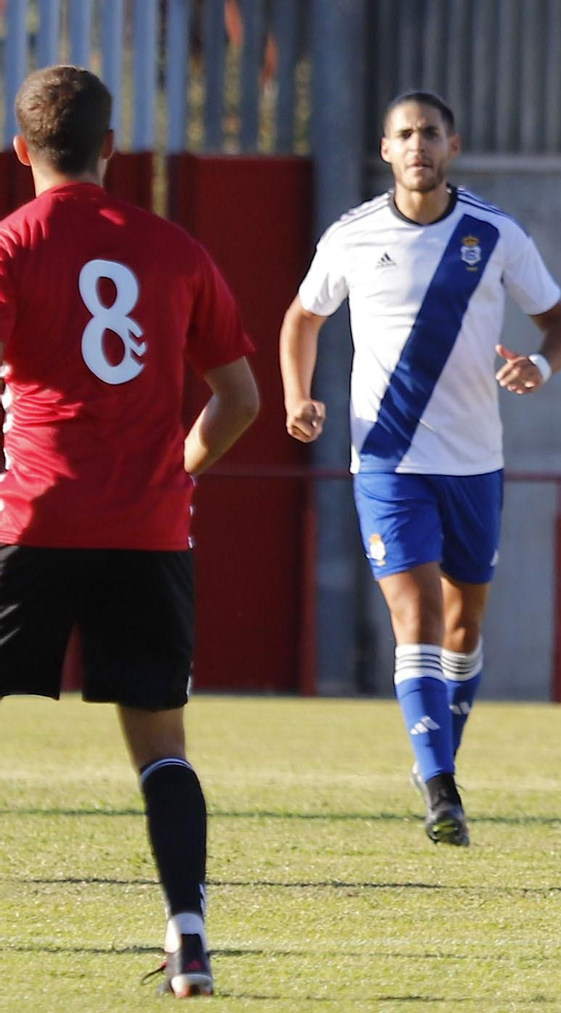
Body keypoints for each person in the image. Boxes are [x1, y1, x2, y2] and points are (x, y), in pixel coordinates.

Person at [0, 66, 260, 996]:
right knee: (162, 750)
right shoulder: (176, 250)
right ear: (112, 148)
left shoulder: (10, 245)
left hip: (30, 519)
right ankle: (189, 932)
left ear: (22, 150)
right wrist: (175, 471)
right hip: (146, 533)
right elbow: (239, 399)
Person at [280, 90, 561, 848]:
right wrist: (299, 394)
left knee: (462, 622)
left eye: (430, 134)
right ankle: (441, 788)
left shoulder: (495, 233)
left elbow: (560, 322)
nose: (418, 145)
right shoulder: (351, 236)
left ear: (454, 144)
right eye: (404, 134)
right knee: (412, 614)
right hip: (384, 457)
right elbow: (302, 316)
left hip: (475, 462)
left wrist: (541, 365)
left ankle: (438, 755)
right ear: (386, 150)